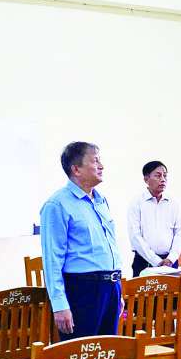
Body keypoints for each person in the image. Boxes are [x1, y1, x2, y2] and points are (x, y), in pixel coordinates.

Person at [40, 142, 122, 339]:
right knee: (80, 355)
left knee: (107, 353)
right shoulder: (57, 204)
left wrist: (118, 291)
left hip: (111, 288)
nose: (101, 166)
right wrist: (60, 305)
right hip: (83, 290)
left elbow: (110, 248)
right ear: (76, 169)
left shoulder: (101, 201)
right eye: (95, 161)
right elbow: (52, 260)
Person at [128, 161, 181, 277]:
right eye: (158, 176)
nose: (163, 179)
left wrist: (170, 259)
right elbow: (135, 236)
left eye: (165, 176)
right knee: (143, 290)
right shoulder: (137, 203)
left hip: (170, 262)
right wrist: (156, 261)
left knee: (171, 290)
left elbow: (179, 233)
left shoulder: (174, 203)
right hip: (144, 262)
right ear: (146, 179)